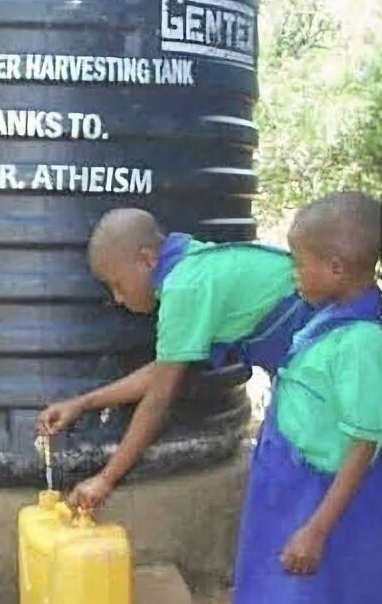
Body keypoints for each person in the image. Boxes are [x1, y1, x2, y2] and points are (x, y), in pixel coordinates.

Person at [36, 208, 311, 509]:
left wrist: (105, 479)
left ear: (146, 259)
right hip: (316, 358)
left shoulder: (183, 288)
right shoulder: (190, 263)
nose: (117, 297)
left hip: (321, 367)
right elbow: (163, 371)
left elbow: (159, 399)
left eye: (117, 284)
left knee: (293, 477)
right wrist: (83, 403)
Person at [233, 191, 382, 604]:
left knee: (311, 590)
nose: (294, 273)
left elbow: (362, 445)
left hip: (320, 499)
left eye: (300, 262)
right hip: (288, 491)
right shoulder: (329, 317)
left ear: (336, 268)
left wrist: (317, 529)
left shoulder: (362, 343)